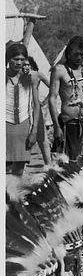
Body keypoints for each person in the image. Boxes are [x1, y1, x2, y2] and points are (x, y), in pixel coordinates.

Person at [49, 35, 83, 161]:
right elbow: (52, 99)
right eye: (76, 54)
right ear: (68, 53)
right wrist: (56, 126)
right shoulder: (59, 70)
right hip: (68, 122)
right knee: (68, 161)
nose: (79, 58)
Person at [6, 42, 41, 176]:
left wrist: (34, 130)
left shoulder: (31, 77)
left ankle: (15, 194)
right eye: (16, 59)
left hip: (23, 124)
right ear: (8, 59)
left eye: (22, 59)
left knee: (19, 167)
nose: (19, 62)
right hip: (5, 123)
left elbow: (35, 104)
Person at [23, 56, 53, 166]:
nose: (26, 67)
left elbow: (52, 87)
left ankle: (48, 165)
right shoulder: (18, 75)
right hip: (22, 108)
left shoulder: (37, 74)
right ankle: (22, 165)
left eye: (28, 64)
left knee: (42, 138)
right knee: (24, 138)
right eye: (24, 65)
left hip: (35, 107)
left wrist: (45, 101)